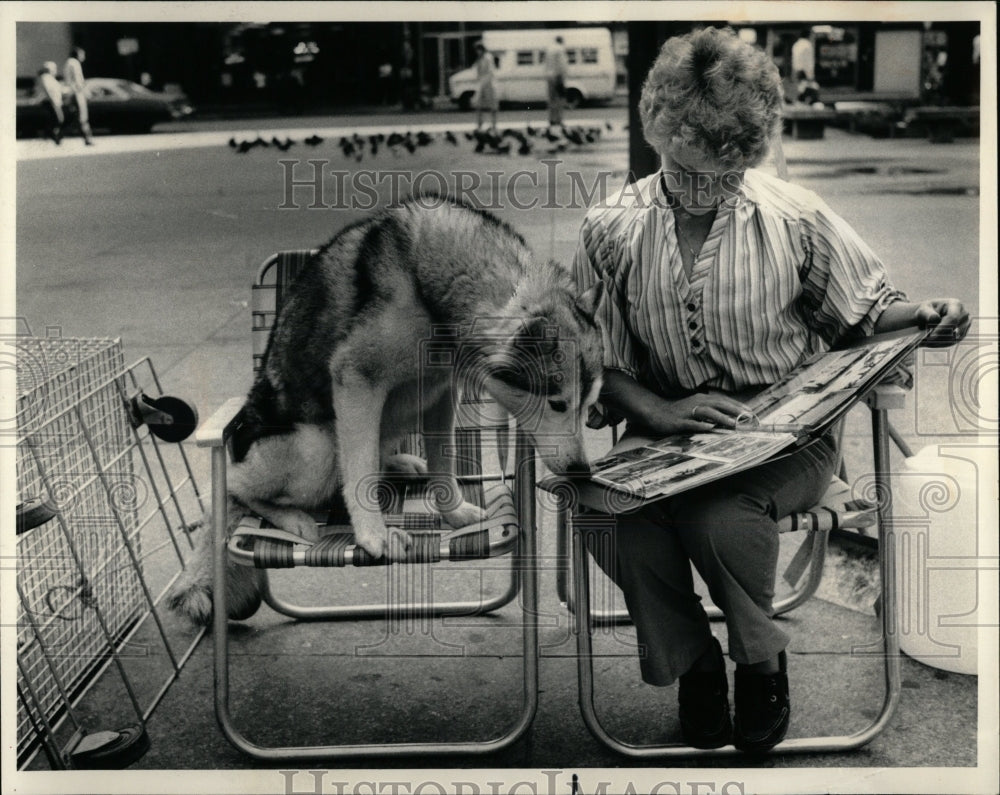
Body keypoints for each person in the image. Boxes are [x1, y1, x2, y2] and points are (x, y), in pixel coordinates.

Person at [572, 26, 969, 753]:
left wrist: (928, 315)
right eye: (689, 170)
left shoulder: (794, 216)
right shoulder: (612, 227)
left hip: (788, 439)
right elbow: (587, 357)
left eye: (727, 175)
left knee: (719, 517)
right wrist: (658, 410)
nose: (708, 190)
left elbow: (868, 310)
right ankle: (693, 660)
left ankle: (759, 660)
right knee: (607, 512)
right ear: (656, 132)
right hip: (663, 435)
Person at [63, 46, 94, 145]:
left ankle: (59, 135)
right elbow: (77, 80)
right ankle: (88, 139)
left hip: (72, 92)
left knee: (75, 116)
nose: (83, 56)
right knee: (82, 116)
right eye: (82, 54)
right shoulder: (74, 63)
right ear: (78, 54)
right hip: (77, 92)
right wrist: (84, 92)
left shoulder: (68, 62)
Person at [36, 61, 64, 144]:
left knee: (56, 120)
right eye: (54, 68)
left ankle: (53, 136)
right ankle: (53, 136)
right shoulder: (45, 77)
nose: (56, 70)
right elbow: (48, 91)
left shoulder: (50, 78)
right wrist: (53, 102)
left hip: (56, 102)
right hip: (52, 102)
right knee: (59, 119)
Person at [473, 40, 498, 131]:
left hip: (489, 84)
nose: (477, 52)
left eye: (479, 49)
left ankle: (494, 124)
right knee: (478, 105)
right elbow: (478, 73)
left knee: (492, 106)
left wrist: (483, 82)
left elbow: (491, 72)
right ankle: (479, 124)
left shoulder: (488, 58)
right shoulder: (479, 60)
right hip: (481, 85)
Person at [544, 34, 568, 128]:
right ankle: (559, 120)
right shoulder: (560, 49)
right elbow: (562, 65)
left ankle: (551, 120)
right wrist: (561, 77)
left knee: (551, 99)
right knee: (560, 99)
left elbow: (546, 64)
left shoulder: (549, 49)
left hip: (549, 77)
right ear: (561, 41)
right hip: (558, 77)